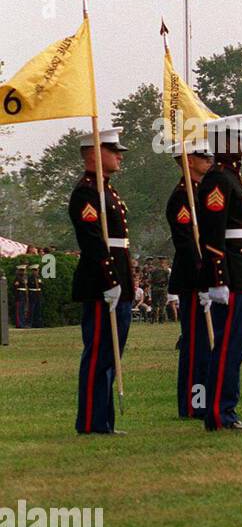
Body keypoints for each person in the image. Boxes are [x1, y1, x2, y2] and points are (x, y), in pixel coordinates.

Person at [69, 127, 133, 435]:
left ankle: (103, 421)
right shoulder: (86, 192)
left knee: (111, 353)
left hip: (116, 279)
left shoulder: (106, 190)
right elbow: (92, 240)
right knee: (98, 353)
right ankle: (93, 422)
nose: (120, 155)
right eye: (113, 150)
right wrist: (109, 280)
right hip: (100, 282)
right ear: (95, 154)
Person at [198, 113, 242, 431]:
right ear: (224, 142)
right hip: (232, 274)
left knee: (236, 346)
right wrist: (218, 279)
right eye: (240, 136)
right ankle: (220, 412)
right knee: (228, 346)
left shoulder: (231, 177)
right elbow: (213, 233)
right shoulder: (218, 179)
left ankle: (227, 409)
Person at [166, 138, 213, 420]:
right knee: (195, 345)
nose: (209, 160)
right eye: (202, 156)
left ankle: (203, 399)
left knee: (206, 345)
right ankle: (193, 404)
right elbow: (186, 242)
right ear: (188, 161)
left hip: (205, 277)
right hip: (193, 280)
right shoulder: (183, 197)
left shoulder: (202, 192)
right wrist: (203, 276)